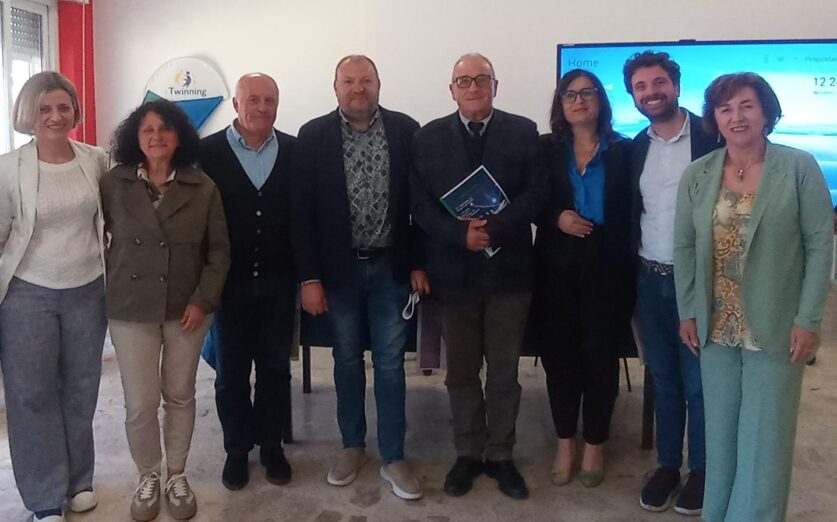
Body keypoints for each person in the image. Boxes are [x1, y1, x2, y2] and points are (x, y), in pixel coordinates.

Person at [674, 73, 833, 522]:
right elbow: (684, 246)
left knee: (766, 439)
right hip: (715, 325)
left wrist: (809, 318)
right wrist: (688, 310)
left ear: (766, 112)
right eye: (725, 108)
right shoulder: (699, 173)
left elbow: (820, 244)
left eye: (746, 105)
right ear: (715, 118)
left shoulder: (798, 167)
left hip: (777, 324)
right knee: (721, 434)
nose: (736, 116)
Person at [291, 55, 427, 500]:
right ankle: (352, 446)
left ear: (378, 84)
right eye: (348, 81)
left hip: (391, 267)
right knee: (346, 360)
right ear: (335, 88)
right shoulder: (312, 136)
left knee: (390, 363)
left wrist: (418, 263)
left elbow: (421, 205)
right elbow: (301, 214)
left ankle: (394, 455)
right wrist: (309, 278)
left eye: (365, 80)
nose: (358, 88)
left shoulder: (407, 131)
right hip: (338, 271)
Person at [410, 53, 544, 500]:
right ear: (451, 90)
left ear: (495, 86)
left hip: (509, 273)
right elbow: (419, 203)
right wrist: (458, 234)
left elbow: (537, 192)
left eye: (481, 79)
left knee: (504, 373)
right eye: (463, 80)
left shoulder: (523, 131)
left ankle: (501, 454)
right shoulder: (427, 138)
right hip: (454, 274)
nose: (472, 87)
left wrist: (492, 229)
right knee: (461, 373)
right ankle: (467, 452)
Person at [101, 99, 230, 521]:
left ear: (180, 136)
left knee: (179, 395)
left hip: (186, 309)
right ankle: (147, 476)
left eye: (165, 129)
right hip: (130, 308)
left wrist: (202, 300)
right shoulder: (113, 183)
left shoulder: (202, 187)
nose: (156, 136)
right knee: (140, 403)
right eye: (147, 130)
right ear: (135, 138)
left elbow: (219, 252)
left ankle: (176, 474)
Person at [0, 71, 108, 522]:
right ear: (28, 112)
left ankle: (79, 480)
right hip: (28, 294)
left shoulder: (96, 160)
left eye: (64, 107)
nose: (55, 116)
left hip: (88, 289)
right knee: (32, 395)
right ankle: (45, 497)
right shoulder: (8, 168)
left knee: (81, 390)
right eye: (45, 108)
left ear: (75, 111)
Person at [623, 50, 720, 515]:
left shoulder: (712, 137)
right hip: (650, 280)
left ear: (677, 86)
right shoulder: (635, 147)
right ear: (633, 96)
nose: (651, 93)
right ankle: (667, 466)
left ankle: (702, 470)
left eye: (659, 82)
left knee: (699, 384)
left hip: (698, 281)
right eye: (641, 87)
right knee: (663, 379)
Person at [530, 69, 634, 488]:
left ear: (600, 100)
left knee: (600, 358)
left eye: (587, 92)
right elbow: (529, 200)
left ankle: (594, 443)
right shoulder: (544, 149)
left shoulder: (624, 150)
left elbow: (634, 211)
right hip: (555, 267)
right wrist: (556, 216)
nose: (578, 100)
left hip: (608, 267)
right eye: (569, 94)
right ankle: (564, 442)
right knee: (559, 359)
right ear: (560, 103)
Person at [199, 73, 297, 491]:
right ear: (236, 104)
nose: (261, 107)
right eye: (252, 99)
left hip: (280, 283)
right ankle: (237, 449)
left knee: (275, 369)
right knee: (231, 373)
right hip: (229, 285)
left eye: (269, 100)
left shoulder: (294, 150)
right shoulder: (206, 153)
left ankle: (272, 446)